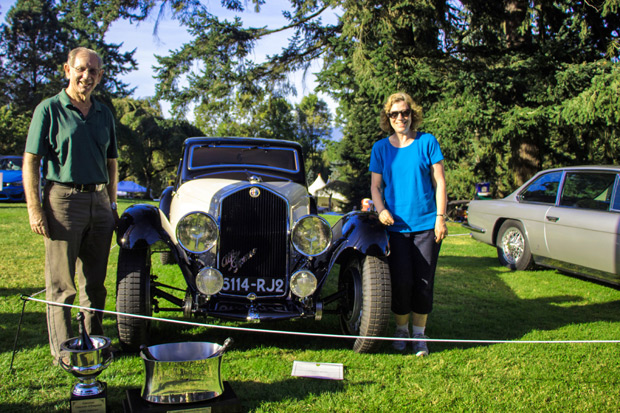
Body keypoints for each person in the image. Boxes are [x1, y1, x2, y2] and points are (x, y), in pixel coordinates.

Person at [23, 47, 118, 363]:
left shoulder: (104, 114)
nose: (86, 76)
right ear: (67, 70)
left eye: (93, 71)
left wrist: (112, 203)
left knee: (95, 284)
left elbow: (112, 162)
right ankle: (65, 354)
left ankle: (93, 344)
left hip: (100, 202)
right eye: (80, 69)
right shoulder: (49, 109)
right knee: (62, 286)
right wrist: (35, 209)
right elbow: (31, 160)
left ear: (100, 76)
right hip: (63, 201)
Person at [369, 92, 447, 356]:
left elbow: (440, 183)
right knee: (401, 283)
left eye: (405, 112)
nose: (400, 118)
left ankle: (420, 335)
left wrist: (440, 218)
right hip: (395, 229)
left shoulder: (427, 142)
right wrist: (381, 210)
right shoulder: (380, 148)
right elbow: (375, 187)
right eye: (394, 114)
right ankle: (401, 331)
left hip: (426, 226)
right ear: (388, 117)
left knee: (423, 284)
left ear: (413, 114)